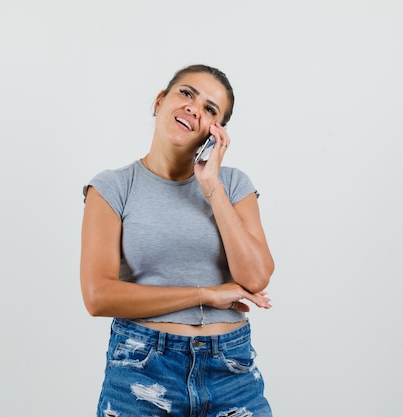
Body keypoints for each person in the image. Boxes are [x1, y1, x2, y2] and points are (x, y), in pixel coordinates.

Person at [80, 64, 275, 417]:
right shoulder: (112, 187)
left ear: (215, 133)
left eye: (210, 109)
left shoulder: (232, 185)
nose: (193, 108)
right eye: (186, 93)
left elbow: (257, 276)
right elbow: (97, 296)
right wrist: (206, 295)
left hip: (231, 368)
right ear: (160, 100)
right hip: (142, 368)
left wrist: (211, 185)